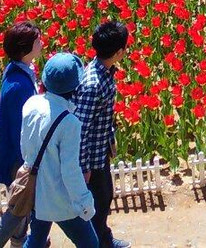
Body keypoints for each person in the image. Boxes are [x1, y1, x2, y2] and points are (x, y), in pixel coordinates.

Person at [22, 52, 98, 248]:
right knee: (90, 243)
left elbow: (25, 147)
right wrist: (85, 202)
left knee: (36, 241)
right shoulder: (69, 122)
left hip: (36, 190)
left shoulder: (31, 104)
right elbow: (70, 171)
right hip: (60, 198)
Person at [0, 23, 44, 248]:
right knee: (19, 207)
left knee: (21, 206)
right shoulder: (18, 86)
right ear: (25, 47)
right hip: (17, 157)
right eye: (38, 40)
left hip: (15, 153)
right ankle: (8, 243)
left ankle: (24, 240)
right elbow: (20, 129)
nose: (42, 43)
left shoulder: (20, 70)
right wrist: (28, 162)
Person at [75, 21, 131, 248]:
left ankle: (104, 239)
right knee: (98, 201)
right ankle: (98, 243)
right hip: (92, 159)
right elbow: (82, 128)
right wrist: (84, 167)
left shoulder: (104, 71)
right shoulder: (92, 84)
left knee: (105, 197)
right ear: (118, 52)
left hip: (101, 151)